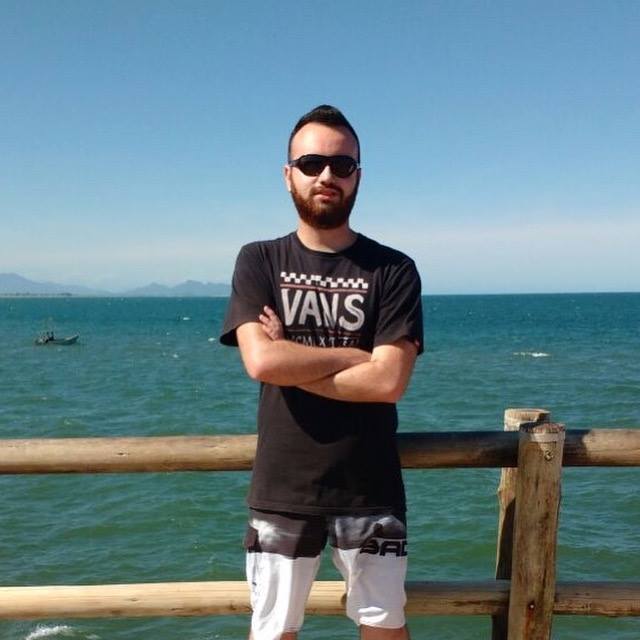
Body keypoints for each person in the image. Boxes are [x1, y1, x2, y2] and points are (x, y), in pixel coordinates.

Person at [220, 105, 424, 640]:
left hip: (370, 487)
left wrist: (291, 357)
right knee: (273, 632)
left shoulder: (394, 270)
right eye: (311, 163)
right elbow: (261, 362)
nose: (326, 175)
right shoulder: (259, 260)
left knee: (384, 627)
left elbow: (388, 382)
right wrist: (355, 355)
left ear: (358, 175)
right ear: (288, 174)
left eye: (342, 164)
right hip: (282, 488)